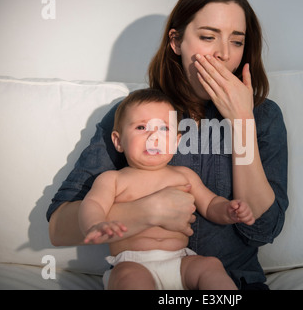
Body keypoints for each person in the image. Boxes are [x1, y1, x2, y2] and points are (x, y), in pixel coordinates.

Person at [47, 0, 288, 290]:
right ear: (176, 42)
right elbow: (58, 228)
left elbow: (262, 230)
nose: (224, 54)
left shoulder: (263, 117)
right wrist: (147, 211)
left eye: (237, 41)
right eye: (208, 37)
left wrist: (242, 122)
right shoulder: (139, 116)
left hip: (234, 282)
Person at [79, 88, 255, 289]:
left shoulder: (183, 175)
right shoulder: (113, 179)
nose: (154, 137)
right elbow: (92, 203)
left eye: (164, 129)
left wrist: (228, 209)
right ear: (118, 141)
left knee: (210, 265)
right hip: (132, 263)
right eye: (141, 127)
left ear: (177, 141)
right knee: (130, 278)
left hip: (180, 261)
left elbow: (210, 204)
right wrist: (95, 224)